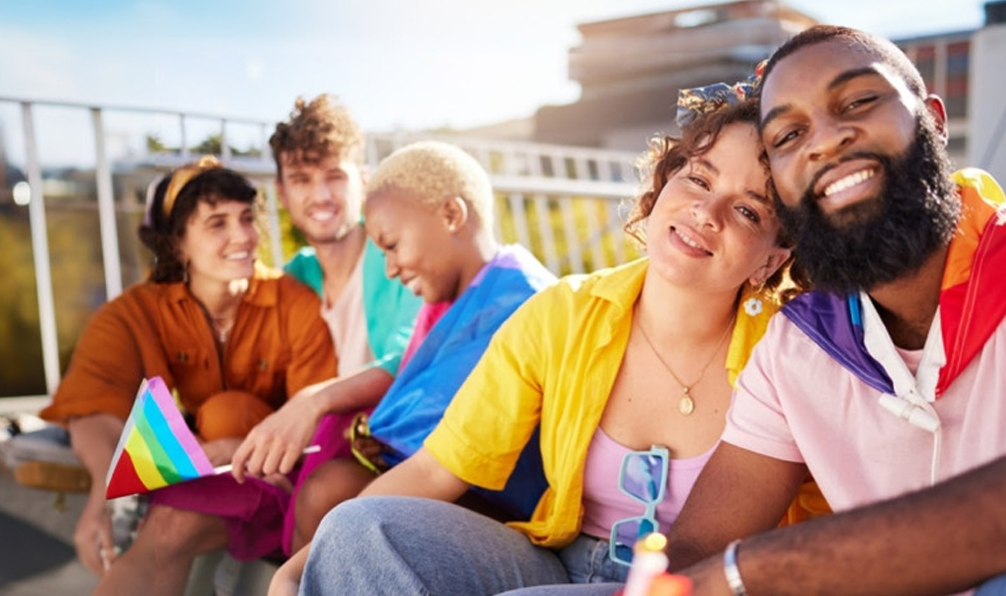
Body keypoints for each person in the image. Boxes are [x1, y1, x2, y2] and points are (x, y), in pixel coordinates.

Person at [663, 25, 1006, 596]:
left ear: (932, 120)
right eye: (787, 135)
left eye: (858, 101)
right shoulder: (795, 350)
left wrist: (765, 569)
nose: (824, 141)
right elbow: (694, 558)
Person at [270, 93, 796, 596]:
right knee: (360, 529)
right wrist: (302, 567)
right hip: (563, 562)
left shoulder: (787, 355)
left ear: (772, 260)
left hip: (703, 585)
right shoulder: (562, 313)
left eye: (748, 211)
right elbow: (437, 468)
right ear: (662, 187)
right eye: (698, 179)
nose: (707, 212)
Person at [39, 157, 338, 596]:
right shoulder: (134, 313)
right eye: (217, 224)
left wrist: (242, 446)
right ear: (176, 245)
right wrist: (107, 491)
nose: (243, 237)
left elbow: (315, 424)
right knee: (169, 524)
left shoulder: (294, 303)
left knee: (217, 428)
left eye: (245, 219)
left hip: (278, 477)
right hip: (196, 475)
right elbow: (92, 407)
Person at [258, 140, 557, 553]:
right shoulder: (461, 300)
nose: (390, 268)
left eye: (392, 245)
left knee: (329, 491)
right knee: (328, 487)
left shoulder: (519, 299)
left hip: (524, 517)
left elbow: (449, 434)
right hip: (473, 491)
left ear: (451, 214)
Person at [228, 95, 421, 551]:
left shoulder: (397, 258)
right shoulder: (291, 280)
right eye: (301, 179)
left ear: (364, 181)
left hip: (394, 451)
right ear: (281, 191)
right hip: (318, 455)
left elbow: (410, 358)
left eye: (335, 176)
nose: (320, 196)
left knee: (323, 494)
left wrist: (314, 402)